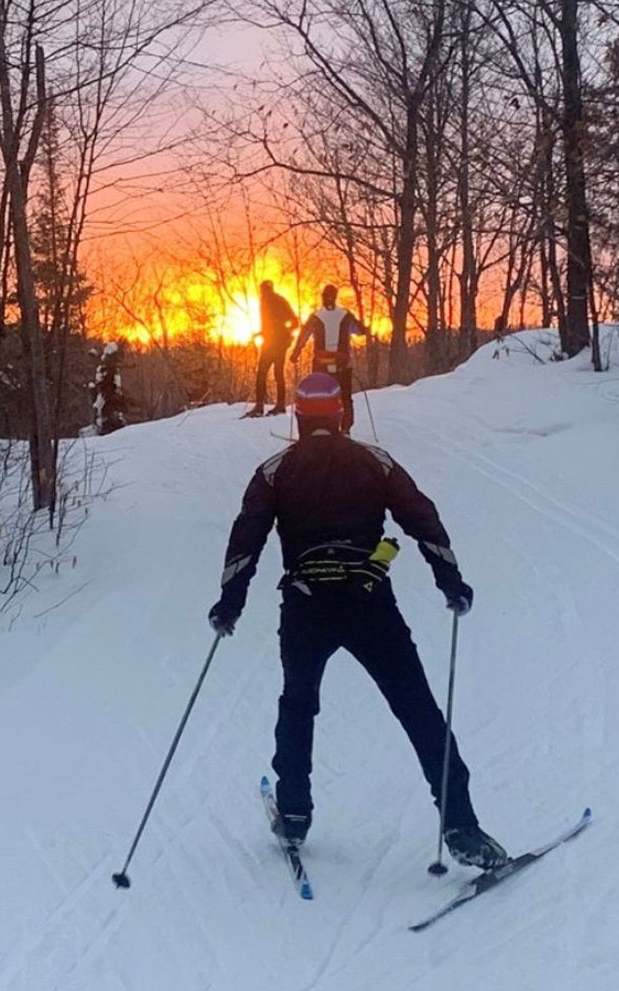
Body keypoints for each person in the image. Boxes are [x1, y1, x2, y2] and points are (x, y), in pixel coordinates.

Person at [208, 372, 508, 869]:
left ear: (299, 418)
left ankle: (295, 815)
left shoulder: (273, 470)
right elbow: (423, 519)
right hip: (369, 601)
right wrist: (450, 582)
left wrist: (229, 604)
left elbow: (246, 540)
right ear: (342, 415)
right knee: (417, 709)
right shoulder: (376, 461)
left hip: (306, 605)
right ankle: (461, 825)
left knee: (298, 706)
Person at [290, 284, 367, 435]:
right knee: (345, 397)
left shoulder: (316, 316)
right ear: (336, 296)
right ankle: (345, 429)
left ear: (323, 298)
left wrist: (296, 353)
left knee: (319, 396)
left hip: (321, 366)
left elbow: (303, 336)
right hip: (342, 365)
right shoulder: (346, 315)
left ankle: (318, 428)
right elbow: (360, 331)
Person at [246, 281, 298, 417]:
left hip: (277, 344)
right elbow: (270, 326)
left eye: (263, 290)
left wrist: (284, 333)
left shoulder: (277, 301)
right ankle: (270, 405)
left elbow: (294, 321)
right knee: (272, 373)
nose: (262, 293)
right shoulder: (269, 302)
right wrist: (261, 333)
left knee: (268, 373)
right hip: (271, 342)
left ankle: (265, 406)